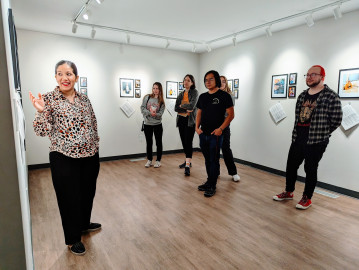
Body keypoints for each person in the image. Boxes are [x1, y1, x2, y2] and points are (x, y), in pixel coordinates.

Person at [29, 60, 101, 256]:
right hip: (63, 157)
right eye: (60, 73)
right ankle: (73, 238)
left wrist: (95, 145)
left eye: (69, 74)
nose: (64, 78)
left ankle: (84, 224)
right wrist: (41, 111)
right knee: (69, 198)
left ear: (76, 78)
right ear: (55, 77)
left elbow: (93, 122)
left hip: (90, 155)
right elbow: (41, 131)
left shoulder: (84, 99)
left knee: (87, 193)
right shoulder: (49, 98)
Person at [273, 65, 343, 209]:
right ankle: (288, 191)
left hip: (316, 140)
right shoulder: (302, 95)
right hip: (298, 137)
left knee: (310, 168)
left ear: (322, 77)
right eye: (307, 75)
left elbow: (337, 119)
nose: (309, 77)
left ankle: (307, 198)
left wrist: (323, 133)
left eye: (313, 74)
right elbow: (298, 117)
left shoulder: (330, 95)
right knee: (291, 166)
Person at [196, 70, 234, 197]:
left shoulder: (224, 96)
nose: (208, 82)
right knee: (207, 159)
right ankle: (209, 181)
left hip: (216, 135)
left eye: (211, 79)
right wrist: (197, 128)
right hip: (203, 133)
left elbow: (231, 115)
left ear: (216, 80)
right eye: (206, 79)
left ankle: (212, 185)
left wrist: (221, 129)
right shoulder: (202, 97)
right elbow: (199, 113)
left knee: (214, 159)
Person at [175, 74, 199, 176]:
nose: (186, 82)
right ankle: (187, 160)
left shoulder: (195, 92)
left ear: (192, 82)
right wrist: (185, 108)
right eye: (184, 80)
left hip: (190, 121)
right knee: (184, 142)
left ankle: (187, 165)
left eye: (188, 80)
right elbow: (176, 108)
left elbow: (192, 106)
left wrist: (182, 105)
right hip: (181, 120)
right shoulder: (181, 94)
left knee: (188, 142)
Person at [219, 76, 240, 182]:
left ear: (226, 83)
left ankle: (233, 172)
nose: (222, 83)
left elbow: (229, 114)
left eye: (224, 82)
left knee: (226, 149)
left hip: (225, 126)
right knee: (214, 150)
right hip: (213, 127)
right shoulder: (213, 95)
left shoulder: (230, 96)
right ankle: (215, 171)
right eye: (220, 82)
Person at [141, 82, 165, 168]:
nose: (155, 90)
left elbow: (161, 113)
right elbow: (142, 108)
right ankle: (149, 160)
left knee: (159, 143)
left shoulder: (161, 101)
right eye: (154, 88)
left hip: (158, 124)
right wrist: (150, 113)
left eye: (157, 88)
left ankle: (158, 161)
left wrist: (156, 114)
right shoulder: (147, 97)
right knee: (149, 143)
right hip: (147, 124)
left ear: (160, 89)